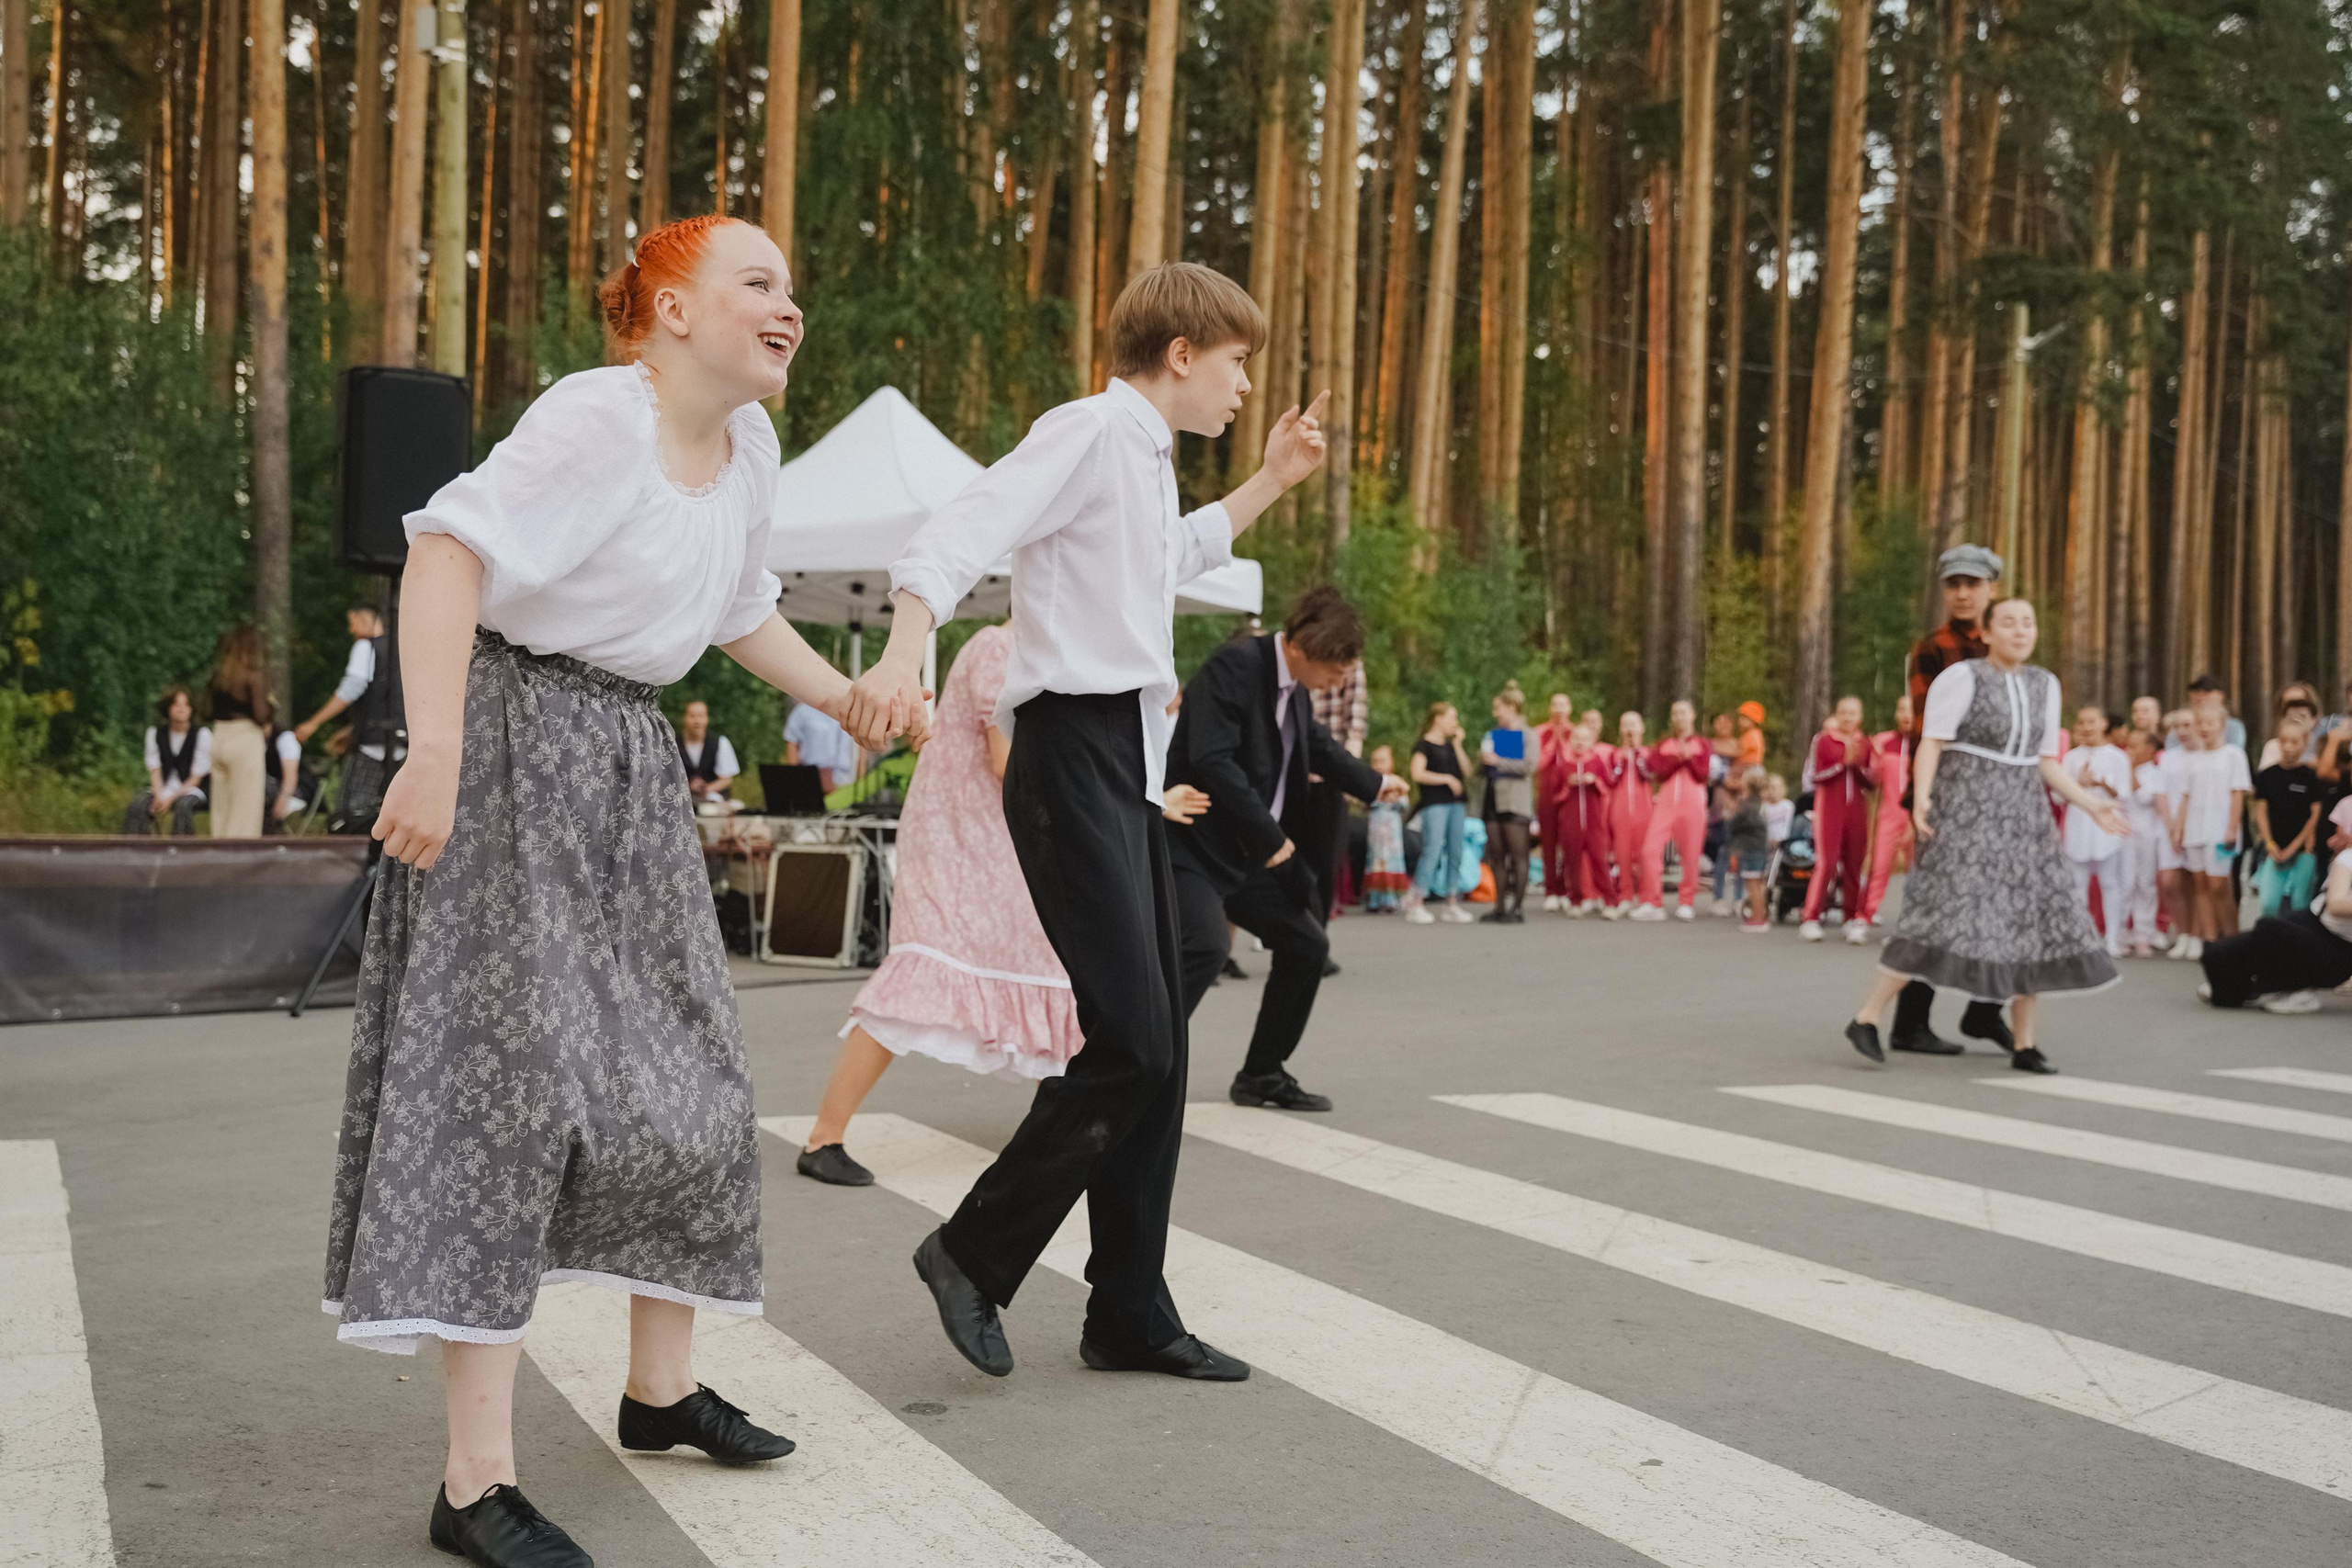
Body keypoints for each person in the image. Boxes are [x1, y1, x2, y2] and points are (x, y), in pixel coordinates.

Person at [324, 215, 854, 1565]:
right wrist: (434, 748)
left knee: (692, 1077)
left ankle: (661, 1390)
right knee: (504, 1098)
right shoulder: (596, 418)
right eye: (757, 283)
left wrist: (847, 693)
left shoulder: (750, 449)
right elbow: (447, 554)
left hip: (626, 755)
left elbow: (738, 608)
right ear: (672, 309)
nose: (787, 306)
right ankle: (473, 1478)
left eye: (792, 289)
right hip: (506, 745)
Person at [849, 261, 1331, 1386]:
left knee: (1158, 1045)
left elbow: (1168, 562)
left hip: (1121, 761)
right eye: (1236, 363)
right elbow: (956, 530)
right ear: (1179, 354)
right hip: (1067, 751)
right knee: (1134, 1040)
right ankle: (972, 1249)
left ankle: (1128, 1309)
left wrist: (1268, 483)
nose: (1242, 387)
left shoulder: (1145, 459)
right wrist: (904, 645)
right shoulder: (1087, 431)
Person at [797, 621, 1211, 1187]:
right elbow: (1002, 758)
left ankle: (1064, 1142)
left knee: (1055, 978)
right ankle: (825, 1136)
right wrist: (1132, 802)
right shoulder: (1000, 648)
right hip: (964, 839)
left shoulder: (1041, 653)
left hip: (1009, 838)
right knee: (923, 967)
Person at [1843, 598, 2127, 1075]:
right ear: (1988, 634)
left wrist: (2090, 802)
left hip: (2023, 815)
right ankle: (1867, 1017)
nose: (2021, 631)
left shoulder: (2045, 684)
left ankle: (2025, 1043)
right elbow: (1932, 740)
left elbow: (2046, 762)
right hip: (1966, 810)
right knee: (1939, 914)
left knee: (2028, 920)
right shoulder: (1964, 676)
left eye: (2028, 623)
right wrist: (1923, 798)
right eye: (2009, 623)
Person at [1167, 591, 1404, 1111]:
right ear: (1301, 648)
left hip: (1244, 852)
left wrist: (1374, 781)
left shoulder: (1292, 687)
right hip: (1196, 847)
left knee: (1306, 946)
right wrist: (1273, 842)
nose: (1340, 682)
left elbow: (1315, 744)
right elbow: (1213, 761)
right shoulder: (1237, 665)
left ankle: (1261, 1074)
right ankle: (1132, 1066)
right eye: (1337, 671)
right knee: (1206, 948)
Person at [1880, 544, 2014, 1056]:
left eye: (1973, 584)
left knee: (2000, 907)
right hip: (1951, 794)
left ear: (1991, 589)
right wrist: (1920, 801)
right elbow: (1925, 731)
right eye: (1954, 584)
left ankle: (1985, 1010)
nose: (1962, 593)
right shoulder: (1933, 648)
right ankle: (1910, 1022)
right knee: (1938, 910)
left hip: (1998, 798)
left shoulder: (2008, 641)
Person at [2199, 835, 2352, 1013]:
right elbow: (2335, 903)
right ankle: (2242, 989)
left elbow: (2337, 907)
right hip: (2311, 921)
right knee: (2214, 955)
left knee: (2270, 927)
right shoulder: (2348, 858)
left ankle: (2288, 992)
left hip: (2340, 951)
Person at [294, 602, 404, 829]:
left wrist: (313, 723)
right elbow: (386, 700)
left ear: (365, 620)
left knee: (351, 809)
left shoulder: (366, 646)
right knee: (388, 808)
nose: (351, 630)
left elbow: (353, 687)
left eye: (352, 623)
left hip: (372, 743)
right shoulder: (400, 649)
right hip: (402, 742)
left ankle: (352, 857)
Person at [2173, 702, 2251, 956]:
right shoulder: (2193, 759)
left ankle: (2232, 940)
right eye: (2200, 723)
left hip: (2221, 831)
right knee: (2201, 886)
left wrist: (2232, 828)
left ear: (2222, 726)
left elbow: (2238, 793)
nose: (2204, 728)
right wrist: (2178, 829)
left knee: (2220, 885)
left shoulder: (2233, 755)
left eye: (2210, 723)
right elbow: (2185, 796)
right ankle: (2209, 943)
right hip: (2195, 830)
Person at [1800, 695, 1875, 943]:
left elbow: (1872, 781)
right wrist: (1842, 765)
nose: (1847, 718)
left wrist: (1858, 767)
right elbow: (1813, 775)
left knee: (1854, 863)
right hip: (1829, 808)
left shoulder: (1864, 742)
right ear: (1837, 713)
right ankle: (1811, 917)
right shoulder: (1823, 740)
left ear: (1859, 717)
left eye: (1852, 713)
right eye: (1843, 712)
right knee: (1827, 862)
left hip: (1857, 809)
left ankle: (1851, 918)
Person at [1303, 645, 1369, 927]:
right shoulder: (1300, 659)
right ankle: (1295, 934)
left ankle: (1316, 934)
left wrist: (1349, 777)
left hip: (1329, 776)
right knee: (1294, 859)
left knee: (1326, 862)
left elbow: (1354, 725)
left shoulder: (1350, 666)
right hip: (1294, 772)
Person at [2059, 705, 2130, 957]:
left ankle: (2112, 938)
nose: (2087, 728)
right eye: (2082, 723)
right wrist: (2078, 783)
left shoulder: (2117, 757)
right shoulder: (2071, 757)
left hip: (2107, 823)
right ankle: (2081, 939)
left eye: (2092, 722)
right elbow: (2058, 796)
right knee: (2077, 884)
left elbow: (2125, 794)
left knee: (2110, 882)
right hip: (2078, 822)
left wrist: (2101, 784)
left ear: (2103, 723)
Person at [1634, 699, 1709, 921]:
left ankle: (1687, 901)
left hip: (1693, 803)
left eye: (1683, 713)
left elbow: (1702, 774)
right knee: (1649, 850)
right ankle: (1651, 901)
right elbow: (1660, 771)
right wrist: (1680, 759)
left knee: (1690, 854)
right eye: (1675, 714)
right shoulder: (1665, 743)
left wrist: (1689, 760)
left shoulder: (1702, 744)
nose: (1679, 718)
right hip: (1666, 804)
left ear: (1692, 715)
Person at [1406, 701, 1475, 924]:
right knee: (1432, 849)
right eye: (1452, 718)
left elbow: (1467, 771)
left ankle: (1452, 901)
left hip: (1456, 803)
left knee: (1456, 851)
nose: (1455, 723)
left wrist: (1458, 745)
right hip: (1435, 803)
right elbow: (1417, 773)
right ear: (1438, 718)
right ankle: (1417, 901)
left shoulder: (1451, 746)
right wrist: (1445, 778)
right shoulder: (1423, 745)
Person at [205, 624, 276, 837]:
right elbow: (261, 715)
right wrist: (271, 705)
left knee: (221, 808)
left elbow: (206, 709)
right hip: (244, 738)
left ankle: (219, 851)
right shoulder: (253, 676)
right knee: (245, 807)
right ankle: (240, 859)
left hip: (219, 735)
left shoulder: (219, 677)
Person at [2249, 715, 2322, 920]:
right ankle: (2272, 948)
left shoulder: (2309, 776)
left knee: (2299, 904)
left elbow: (2314, 814)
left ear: (2305, 743)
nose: (2288, 747)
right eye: (2284, 741)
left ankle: (2297, 949)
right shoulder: (2267, 776)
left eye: (2294, 742)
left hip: (2302, 851)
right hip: (2275, 849)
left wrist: (2295, 847)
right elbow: (2261, 811)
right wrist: (2270, 844)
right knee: (2269, 904)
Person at [1546, 719, 1618, 917]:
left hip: (1594, 823)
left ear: (1591, 742)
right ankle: (1575, 900)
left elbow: (1607, 787)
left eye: (1584, 739)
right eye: (1576, 738)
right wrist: (1569, 786)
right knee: (1572, 863)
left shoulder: (1596, 762)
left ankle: (1610, 901)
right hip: (1571, 823)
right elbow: (1555, 795)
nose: (1580, 742)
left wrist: (1593, 781)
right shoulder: (1563, 765)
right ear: (1570, 740)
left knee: (1599, 861)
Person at [1479, 683, 1535, 924]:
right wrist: (1484, 762)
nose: (1496, 713)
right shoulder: (1493, 735)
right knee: (1497, 854)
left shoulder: (1527, 735)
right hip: (1493, 797)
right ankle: (1499, 905)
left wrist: (1499, 761)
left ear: (1511, 707)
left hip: (1515, 800)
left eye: (1499, 708)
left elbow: (1528, 766)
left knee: (1518, 853)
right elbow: (1483, 767)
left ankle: (1518, 907)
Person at [1859, 694, 1916, 927]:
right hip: (1889, 813)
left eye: (1910, 710)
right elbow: (1872, 782)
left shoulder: (1925, 743)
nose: (1905, 715)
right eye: (1901, 709)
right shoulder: (1884, 741)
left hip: (1917, 816)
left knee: (1918, 871)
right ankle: (1864, 916)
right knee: (1879, 865)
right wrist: (1875, 759)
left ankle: (1912, 921)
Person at [123, 686, 211, 835]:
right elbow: (155, 771)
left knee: (183, 807)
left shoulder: (201, 735)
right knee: (138, 804)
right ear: (168, 708)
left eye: (185, 705)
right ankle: (133, 850)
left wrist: (170, 799)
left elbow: (196, 779)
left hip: (192, 789)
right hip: (165, 787)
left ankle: (182, 852)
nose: (181, 709)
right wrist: (159, 795)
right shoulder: (156, 734)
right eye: (176, 705)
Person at [2115, 728, 2167, 956]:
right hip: (2124, 834)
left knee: (2145, 883)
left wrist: (2131, 768)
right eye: (2128, 746)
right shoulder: (2120, 769)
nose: (2129, 751)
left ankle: (2143, 933)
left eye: (2135, 746)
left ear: (2149, 749)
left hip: (2147, 835)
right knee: (2124, 883)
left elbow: (2145, 797)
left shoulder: (2155, 772)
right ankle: (2120, 931)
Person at [1535, 693, 1580, 911]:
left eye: (1563, 705)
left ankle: (1567, 887)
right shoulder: (1540, 732)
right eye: (1555, 705)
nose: (1559, 710)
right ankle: (1551, 889)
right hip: (1546, 791)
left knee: (1569, 840)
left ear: (1569, 709)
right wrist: (1554, 741)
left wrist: (1565, 741)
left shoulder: (1577, 732)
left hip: (1570, 792)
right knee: (1549, 841)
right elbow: (1537, 763)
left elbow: (1578, 758)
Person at [1607, 710, 1651, 918]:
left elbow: (1648, 776)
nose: (1629, 729)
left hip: (1644, 811)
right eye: (1625, 725)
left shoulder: (1647, 753)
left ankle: (1646, 897)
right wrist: (1623, 760)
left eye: (1633, 724)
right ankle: (1625, 896)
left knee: (1643, 855)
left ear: (1641, 728)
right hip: (1620, 810)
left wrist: (1637, 754)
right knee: (1622, 854)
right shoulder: (1615, 755)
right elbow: (1611, 780)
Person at [1361, 744, 1412, 912]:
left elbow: (1405, 803)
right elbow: (1365, 803)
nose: (1378, 765)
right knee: (1375, 862)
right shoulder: (1371, 782)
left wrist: (1398, 796)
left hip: (1391, 831)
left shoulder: (1397, 781)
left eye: (1382, 761)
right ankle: (1375, 899)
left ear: (1391, 763)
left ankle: (1392, 898)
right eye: (1375, 761)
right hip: (1376, 829)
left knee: (1392, 861)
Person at [1724, 765, 1772, 931]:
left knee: (1752, 883)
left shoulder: (1748, 805)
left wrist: (1733, 816)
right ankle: (1761, 916)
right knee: (1759, 883)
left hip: (1751, 847)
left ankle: (1757, 918)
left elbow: (1739, 824)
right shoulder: (1759, 803)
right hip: (1760, 846)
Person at [784, 696, 860, 794]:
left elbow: (859, 746)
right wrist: (795, 779)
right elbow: (792, 743)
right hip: (812, 777)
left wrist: (861, 776)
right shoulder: (802, 712)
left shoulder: (851, 712)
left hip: (845, 779)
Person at [673, 698, 741, 807]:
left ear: (707, 719)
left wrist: (705, 789)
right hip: (680, 803)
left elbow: (726, 779)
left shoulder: (720, 743)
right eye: (693, 716)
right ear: (684, 718)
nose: (697, 721)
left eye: (701, 716)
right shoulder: (672, 744)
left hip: (713, 804)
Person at [2256, 683, 2322, 770]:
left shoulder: (2323, 745)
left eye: (2300, 702)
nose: (2296, 717)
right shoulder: (2274, 746)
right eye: (2287, 704)